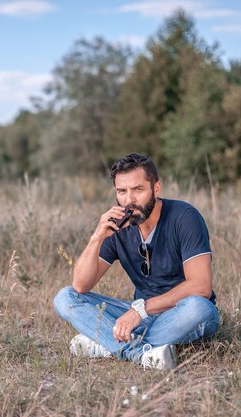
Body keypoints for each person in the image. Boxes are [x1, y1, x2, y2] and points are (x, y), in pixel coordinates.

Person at [53, 153, 219, 369]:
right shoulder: (118, 226)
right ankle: (140, 353)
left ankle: (107, 344)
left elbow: (201, 286)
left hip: (178, 313)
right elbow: (81, 285)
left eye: (138, 190)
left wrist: (139, 311)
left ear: (156, 188)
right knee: (65, 297)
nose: (129, 200)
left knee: (200, 308)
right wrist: (97, 237)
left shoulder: (184, 217)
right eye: (122, 191)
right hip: (138, 315)